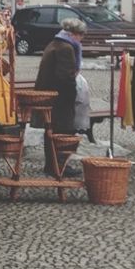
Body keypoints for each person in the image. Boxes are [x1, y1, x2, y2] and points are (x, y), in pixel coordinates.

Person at [34, 17, 85, 176]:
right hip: (59, 99)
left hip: (49, 96)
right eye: (81, 35)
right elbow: (66, 77)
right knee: (63, 132)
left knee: (52, 131)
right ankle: (60, 166)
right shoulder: (66, 48)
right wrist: (75, 95)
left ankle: (52, 165)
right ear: (75, 34)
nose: (81, 39)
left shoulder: (55, 42)